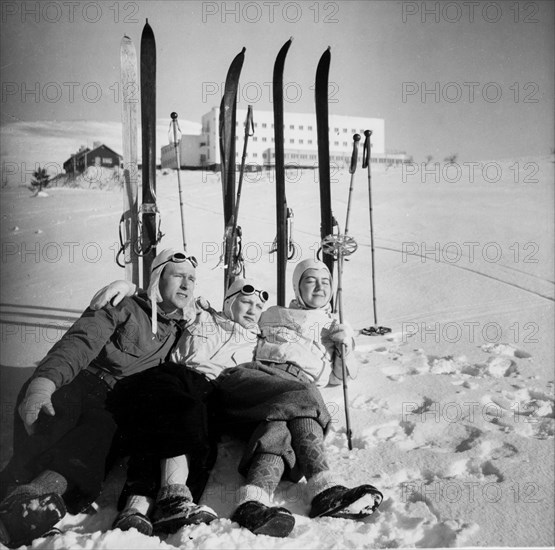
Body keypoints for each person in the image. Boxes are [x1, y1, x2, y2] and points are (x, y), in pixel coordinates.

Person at [0, 248, 197, 548]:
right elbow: (81, 341)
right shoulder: (122, 305)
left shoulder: (181, 328)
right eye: (178, 276)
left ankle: (32, 502)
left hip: (108, 401)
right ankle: (17, 498)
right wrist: (45, 381)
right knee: (55, 419)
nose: (186, 285)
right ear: (158, 277)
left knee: (94, 442)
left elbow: (231, 320)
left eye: (192, 280)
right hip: (75, 380)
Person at [215, 259, 383, 538]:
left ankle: (251, 504)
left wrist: (345, 347)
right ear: (297, 285)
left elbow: (342, 377)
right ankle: (325, 487)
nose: (319, 286)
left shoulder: (334, 326)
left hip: (290, 396)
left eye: (325, 281)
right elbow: (233, 312)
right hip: (261, 377)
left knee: (277, 431)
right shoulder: (270, 314)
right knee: (305, 395)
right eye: (310, 280)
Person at [91, 277, 271, 536]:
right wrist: (131, 290)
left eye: (258, 306)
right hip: (173, 376)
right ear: (230, 302)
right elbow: (164, 301)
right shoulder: (200, 314)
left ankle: (153, 504)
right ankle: (149, 504)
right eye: (246, 302)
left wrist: (342, 349)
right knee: (169, 415)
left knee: (200, 437)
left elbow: (301, 359)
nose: (253, 310)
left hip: (212, 389)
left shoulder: (259, 342)